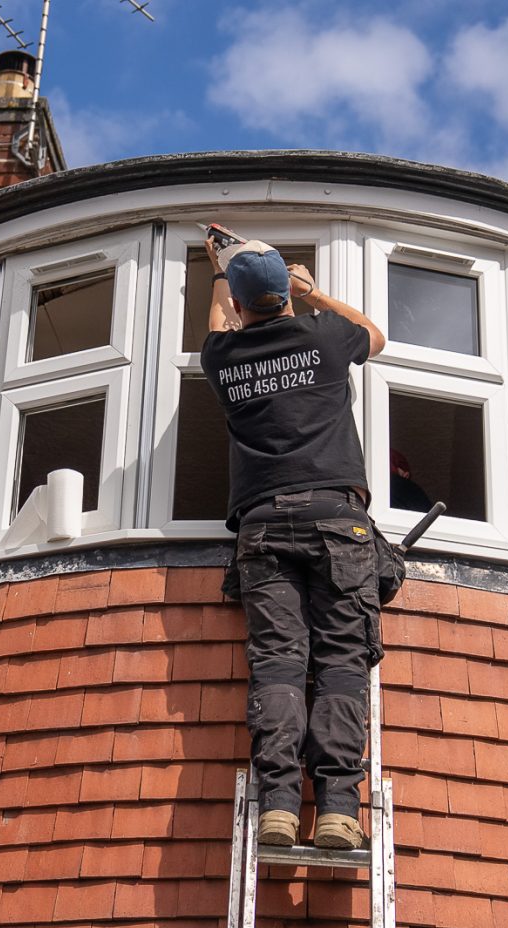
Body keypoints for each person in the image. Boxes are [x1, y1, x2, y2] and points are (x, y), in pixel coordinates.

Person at [200, 234, 386, 850]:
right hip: (337, 516)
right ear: (288, 291)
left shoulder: (222, 357)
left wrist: (220, 274)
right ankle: (336, 808)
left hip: (261, 525)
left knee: (279, 663)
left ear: (242, 302)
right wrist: (315, 293)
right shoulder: (325, 336)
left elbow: (219, 322)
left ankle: (278, 805)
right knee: (340, 662)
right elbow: (376, 335)